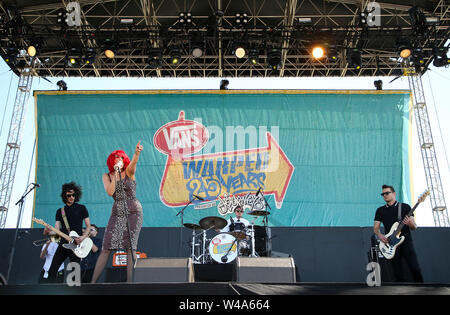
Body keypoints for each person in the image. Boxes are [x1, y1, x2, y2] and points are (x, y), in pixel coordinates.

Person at [91, 141, 144, 283]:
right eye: (116, 158)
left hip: (133, 211)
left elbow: (133, 164)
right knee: (106, 247)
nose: (119, 160)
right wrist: (116, 173)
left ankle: (129, 284)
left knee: (131, 247)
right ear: (112, 161)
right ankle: (92, 283)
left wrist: (137, 153)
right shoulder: (107, 176)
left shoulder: (129, 172)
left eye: (121, 158)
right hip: (117, 211)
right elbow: (110, 192)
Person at [373, 184, 424, 283]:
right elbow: (376, 228)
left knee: (415, 268)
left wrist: (410, 223)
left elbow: (414, 227)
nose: (385, 195)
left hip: (406, 242)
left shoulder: (405, 207)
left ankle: (422, 289)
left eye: (387, 193)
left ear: (394, 193)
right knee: (397, 273)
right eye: (383, 194)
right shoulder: (380, 210)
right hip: (391, 243)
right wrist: (380, 236)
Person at [47, 182, 91, 283]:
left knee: (75, 273)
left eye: (73, 195)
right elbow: (56, 228)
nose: (71, 197)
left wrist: (82, 237)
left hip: (76, 243)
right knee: (52, 270)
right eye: (69, 195)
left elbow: (88, 226)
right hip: (63, 243)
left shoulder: (82, 208)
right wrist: (51, 233)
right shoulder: (60, 211)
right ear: (64, 196)